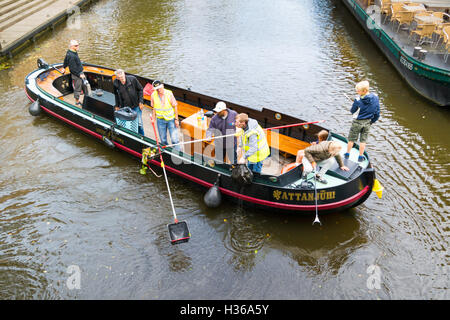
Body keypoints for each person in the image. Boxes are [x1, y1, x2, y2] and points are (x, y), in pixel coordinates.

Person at [345, 80, 380, 162]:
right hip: (368, 122)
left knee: (351, 139)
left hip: (357, 122)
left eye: (358, 90)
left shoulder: (358, 100)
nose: (357, 92)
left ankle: (347, 154)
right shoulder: (375, 97)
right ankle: (360, 157)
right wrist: (372, 121)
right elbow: (377, 112)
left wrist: (355, 105)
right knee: (363, 140)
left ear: (364, 91)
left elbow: (352, 111)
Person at [113, 69, 145, 135]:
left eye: (122, 77)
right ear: (117, 78)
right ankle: (132, 137)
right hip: (124, 107)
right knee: (127, 124)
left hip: (136, 106)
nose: (121, 79)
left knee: (139, 124)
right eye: (119, 78)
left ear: (124, 74)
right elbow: (116, 94)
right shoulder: (115, 83)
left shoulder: (133, 79)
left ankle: (142, 137)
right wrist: (117, 105)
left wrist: (141, 102)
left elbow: (140, 90)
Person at [150, 80, 180, 149]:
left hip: (171, 120)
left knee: (174, 139)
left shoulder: (169, 93)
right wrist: (153, 119)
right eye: (156, 89)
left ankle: (177, 154)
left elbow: (175, 106)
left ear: (163, 86)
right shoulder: (153, 95)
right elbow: (154, 108)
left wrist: (176, 119)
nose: (158, 90)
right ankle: (167, 152)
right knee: (163, 140)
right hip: (160, 120)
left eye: (160, 88)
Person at [62, 40, 85, 106]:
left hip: (79, 72)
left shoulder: (70, 52)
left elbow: (66, 60)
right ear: (72, 46)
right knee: (77, 88)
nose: (78, 46)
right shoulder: (72, 56)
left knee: (80, 85)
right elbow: (72, 69)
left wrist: (64, 67)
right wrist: (79, 75)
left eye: (78, 45)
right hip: (77, 74)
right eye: (76, 46)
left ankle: (81, 92)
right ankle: (77, 102)